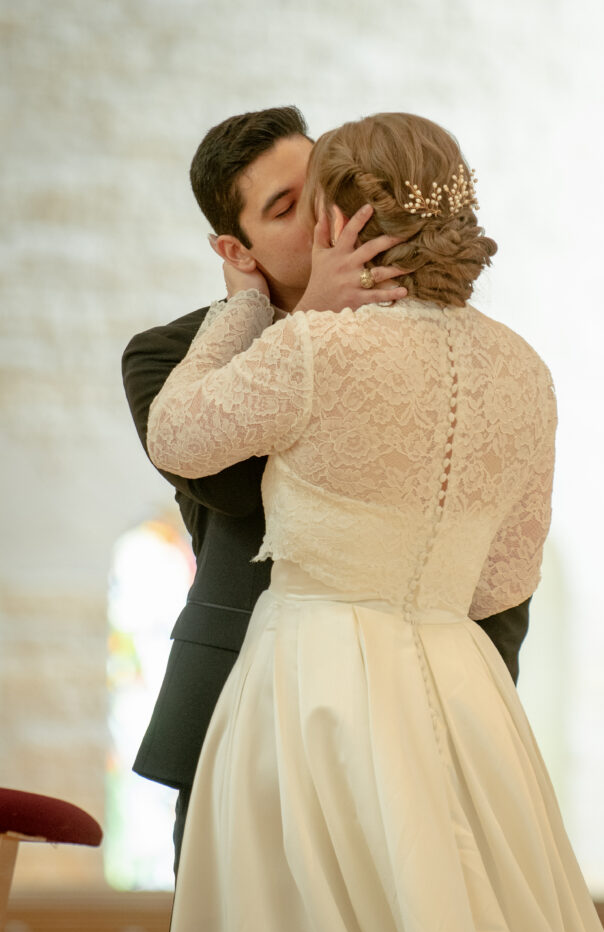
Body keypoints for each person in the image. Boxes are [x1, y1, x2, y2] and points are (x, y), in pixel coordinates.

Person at [147, 112, 604, 932]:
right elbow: (502, 580)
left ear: (343, 217)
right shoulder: (523, 368)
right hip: (460, 689)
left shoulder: (308, 349)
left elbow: (177, 435)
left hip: (313, 678)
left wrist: (253, 306)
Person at [121, 106, 533, 875]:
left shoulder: (454, 349)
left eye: (322, 187)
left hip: (418, 715)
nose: (320, 217)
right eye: (284, 208)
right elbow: (237, 492)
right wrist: (307, 325)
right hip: (237, 690)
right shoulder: (168, 355)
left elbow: (493, 567)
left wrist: (475, 711)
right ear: (233, 250)